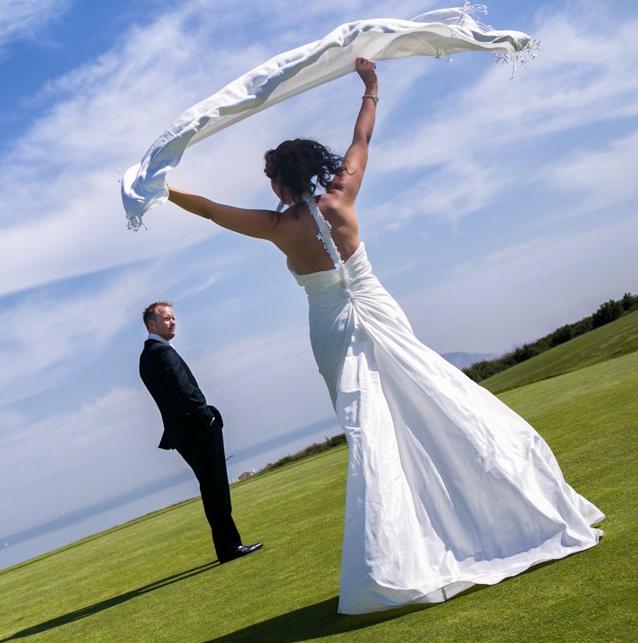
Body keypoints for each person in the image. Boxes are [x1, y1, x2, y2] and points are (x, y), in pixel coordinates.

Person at [165, 58, 603, 613]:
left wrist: (165, 189)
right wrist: (370, 88)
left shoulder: (278, 227)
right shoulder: (342, 197)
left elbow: (209, 211)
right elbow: (361, 138)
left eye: (271, 177)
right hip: (377, 309)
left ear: (283, 180)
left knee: (370, 429)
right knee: (432, 400)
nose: (268, 186)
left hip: (333, 326)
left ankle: (406, 555)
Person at [139, 300, 263, 564]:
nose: (173, 322)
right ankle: (230, 547)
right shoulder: (162, 353)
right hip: (196, 428)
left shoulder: (147, 356)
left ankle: (227, 545)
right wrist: (207, 417)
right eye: (167, 318)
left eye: (174, 318)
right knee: (215, 488)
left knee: (210, 488)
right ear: (152, 324)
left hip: (182, 432)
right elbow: (186, 392)